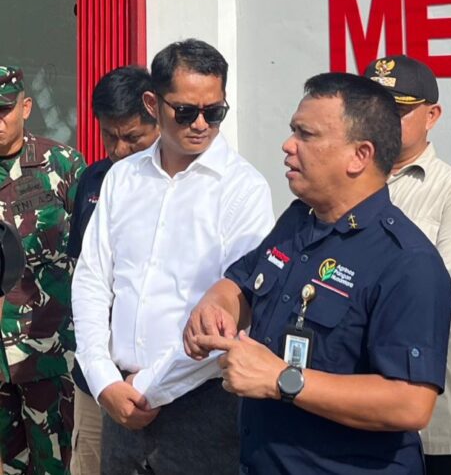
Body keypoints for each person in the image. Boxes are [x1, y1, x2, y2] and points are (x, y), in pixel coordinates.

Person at [184, 73, 451, 474]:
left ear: (359, 156)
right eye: (293, 130)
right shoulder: (299, 220)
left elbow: (411, 403)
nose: (288, 145)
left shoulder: (408, 263)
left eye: (305, 134)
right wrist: (216, 305)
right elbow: (243, 283)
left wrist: (282, 379)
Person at [72, 39, 274, 475]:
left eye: (214, 112)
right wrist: (102, 378)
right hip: (119, 397)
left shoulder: (243, 188)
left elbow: (236, 308)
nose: (201, 124)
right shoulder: (123, 178)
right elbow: (92, 279)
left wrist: (148, 386)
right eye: (185, 111)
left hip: (202, 405)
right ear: (153, 103)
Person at [364, 55, 451, 475]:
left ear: (432, 115)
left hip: (429, 429)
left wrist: (346, 332)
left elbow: (445, 308)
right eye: (371, 106)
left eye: (397, 110)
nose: (380, 120)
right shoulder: (342, 184)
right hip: (347, 416)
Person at [67, 66, 159, 475]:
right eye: (109, 136)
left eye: (133, 137)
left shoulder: (181, 186)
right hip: (94, 380)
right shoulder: (93, 180)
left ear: (158, 117)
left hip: (156, 384)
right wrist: (99, 371)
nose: (119, 149)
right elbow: (85, 276)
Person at [0, 66, 85, 475]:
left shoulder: (63, 164)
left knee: (54, 463)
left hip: (47, 352)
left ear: (26, 107)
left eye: (4, 109)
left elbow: (93, 252)